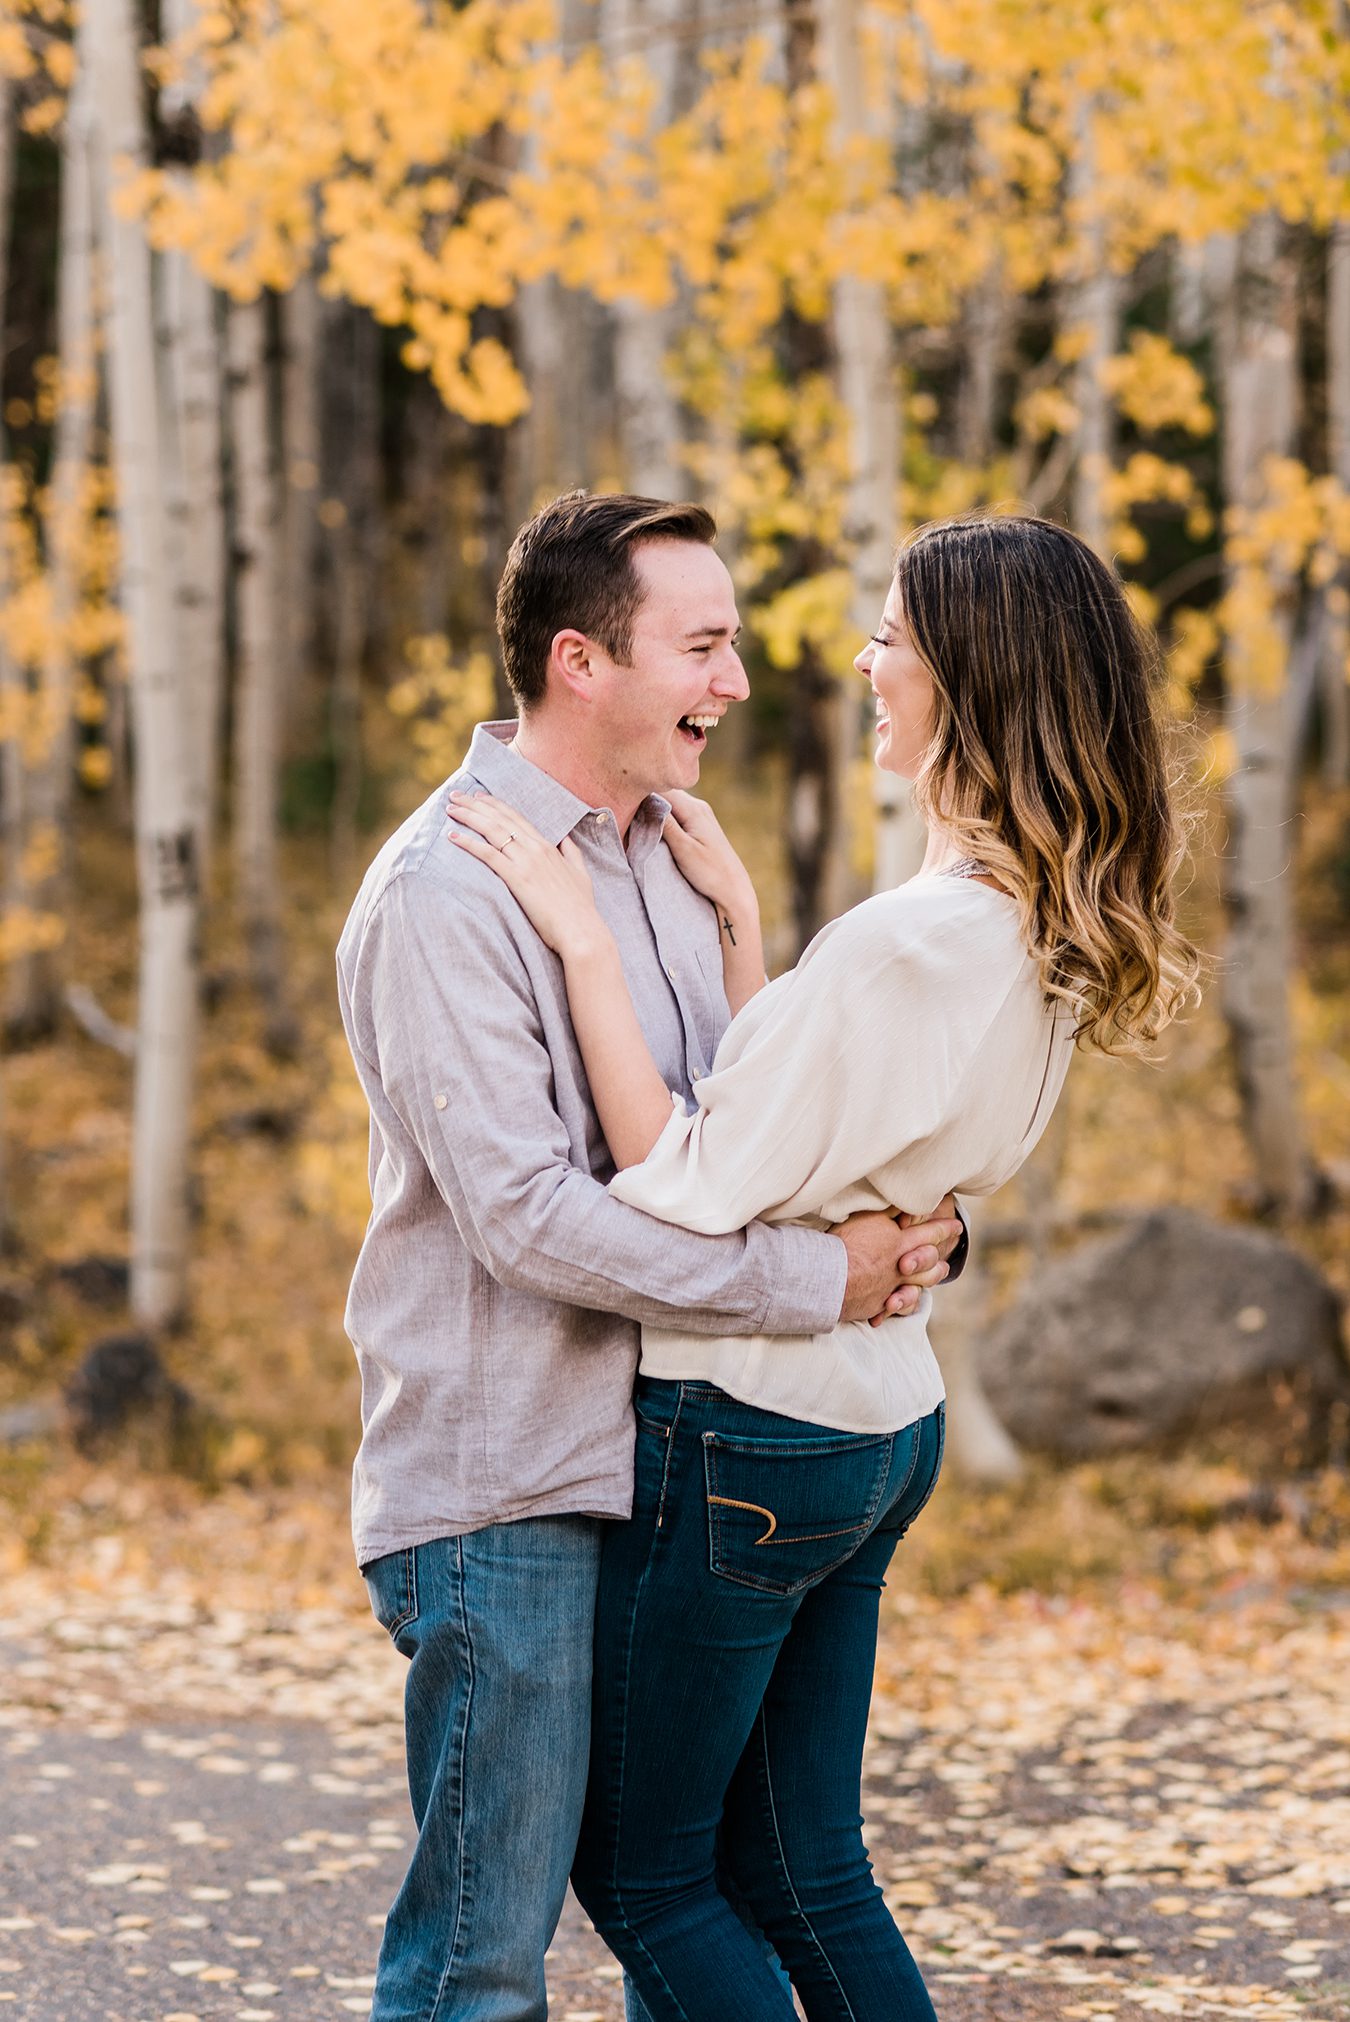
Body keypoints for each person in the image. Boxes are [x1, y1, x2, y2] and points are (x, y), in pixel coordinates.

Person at [448, 510, 1202, 2022]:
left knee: (649, 1875)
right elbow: (849, 1129)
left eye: (893, 644)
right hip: (877, 1422)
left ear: (967, 691)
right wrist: (741, 936)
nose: (865, 667)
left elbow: (686, 1182)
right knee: (802, 1869)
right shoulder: (1025, 925)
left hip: (746, 1430)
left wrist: (589, 949)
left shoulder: (899, 942)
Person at [336, 490, 966, 2022]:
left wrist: (911, 1224)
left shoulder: (665, 854)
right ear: (579, 663)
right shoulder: (445, 891)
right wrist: (821, 1280)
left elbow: (726, 1144)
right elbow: (532, 1221)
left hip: (672, 1464)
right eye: (702, 646)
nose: (736, 681)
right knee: (482, 1967)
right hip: (514, 1489)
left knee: (682, 1908)